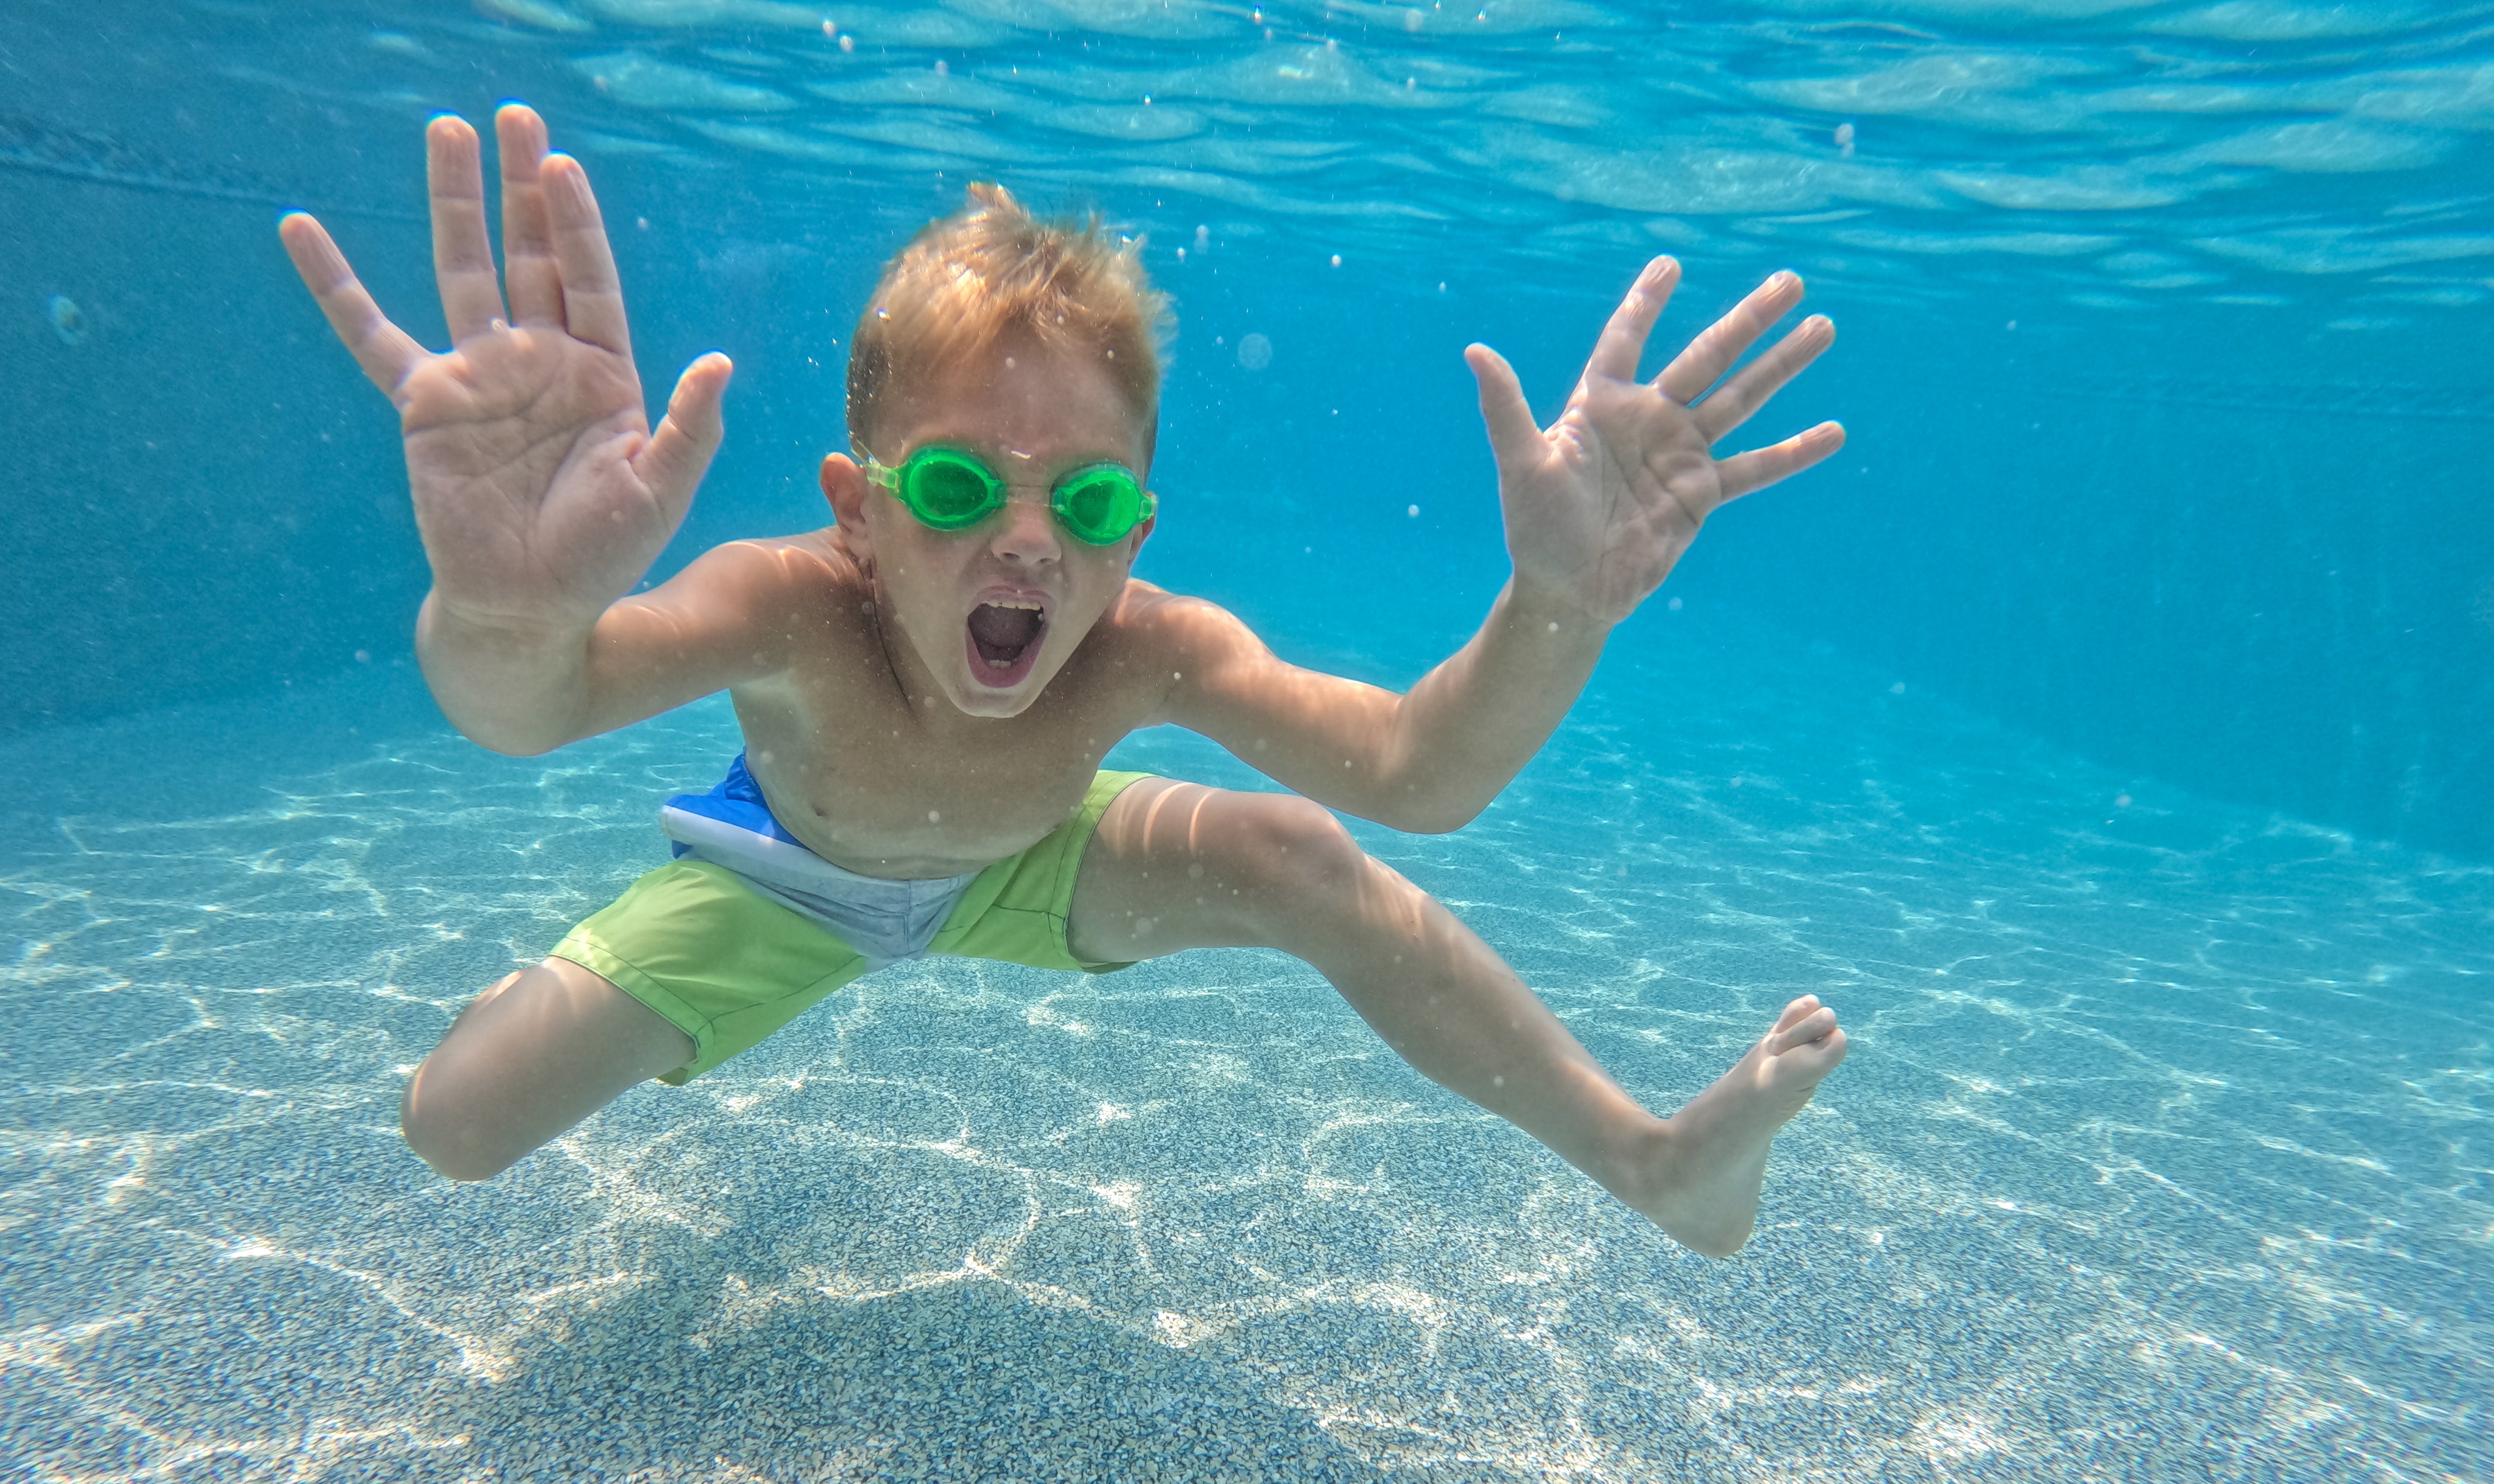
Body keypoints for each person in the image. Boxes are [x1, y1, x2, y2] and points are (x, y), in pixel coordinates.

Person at [279, 104, 1848, 1257]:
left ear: (1139, 524)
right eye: (960, 490)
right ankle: (533, 995)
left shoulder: (1140, 644)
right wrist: (504, 609)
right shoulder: (787, 605)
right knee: (454, 1126)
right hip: (785, 881)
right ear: (858, 508)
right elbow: (529, 707)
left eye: (1087, 502)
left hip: (1023, 866)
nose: (1029, 543)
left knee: (1300, 851)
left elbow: (1421, 779)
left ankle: (1654, 1163)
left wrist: (1558, 603)